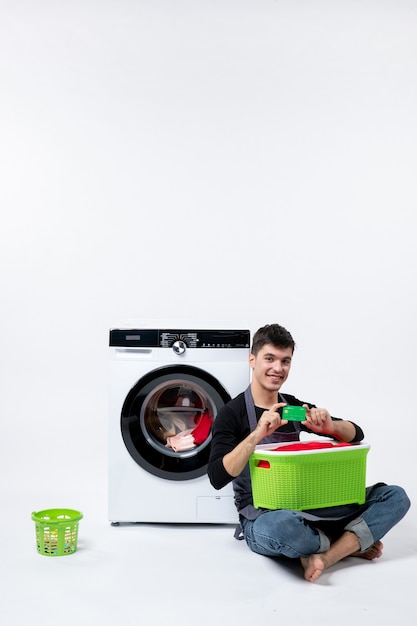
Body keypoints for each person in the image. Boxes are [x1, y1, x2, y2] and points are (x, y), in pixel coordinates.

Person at [207, 323, 410, 582]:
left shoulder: (292, 408)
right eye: (269, 358)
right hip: (264, 516)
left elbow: (356, 433)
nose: (278, 368)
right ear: (252, 360)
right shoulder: (231, 413)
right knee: (283, 527)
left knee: (395, 497)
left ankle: (325, 554)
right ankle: (349, 542)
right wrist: (257, 434)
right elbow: (217, 476)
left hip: (314, 508)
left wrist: (331, 427)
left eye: (285, 361)